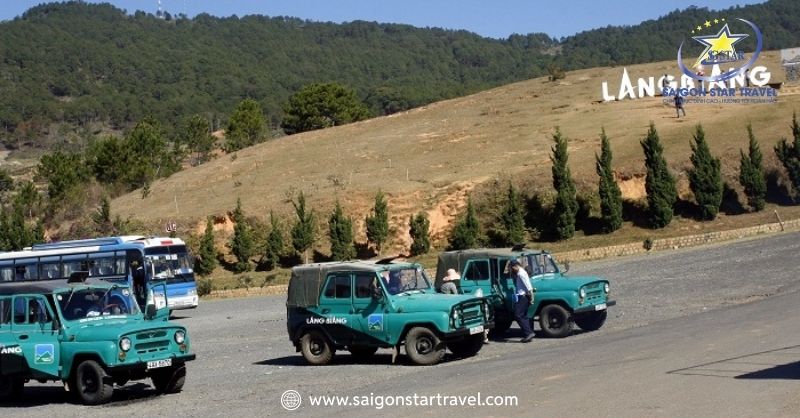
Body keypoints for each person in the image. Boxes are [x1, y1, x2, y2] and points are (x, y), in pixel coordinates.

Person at [509, 259, 535, 343]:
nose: (512, 270)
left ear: (515, 266)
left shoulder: (521, 273)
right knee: (523, 315)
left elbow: (528, 285)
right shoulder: (521, 272)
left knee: (518, 315)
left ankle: (528, 333)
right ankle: (529, 332)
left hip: (522, 297)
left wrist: (532, 297)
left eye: (512, 268)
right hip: (522, 296)